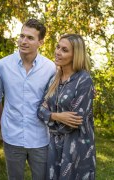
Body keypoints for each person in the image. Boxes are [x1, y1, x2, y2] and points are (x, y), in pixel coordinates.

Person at [0, 18, 56, 180]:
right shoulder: (2, 66)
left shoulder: (50, 68)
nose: (23, 41)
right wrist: (2, 124)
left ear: (40, 42)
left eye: (30, 38)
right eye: (22, 36)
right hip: (11, 135)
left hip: (40, 136)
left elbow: (57, 98)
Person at [37, 34, 96, 179]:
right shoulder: (54, 79)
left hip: (76, 147)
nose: (58, 52)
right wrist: (56, 116)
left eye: (64, 50)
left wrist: (49, 120)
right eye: (58, 47)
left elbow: (74, 122)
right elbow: (40, 110)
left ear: (75, 55)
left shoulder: (83, 80)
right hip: (54, 148)